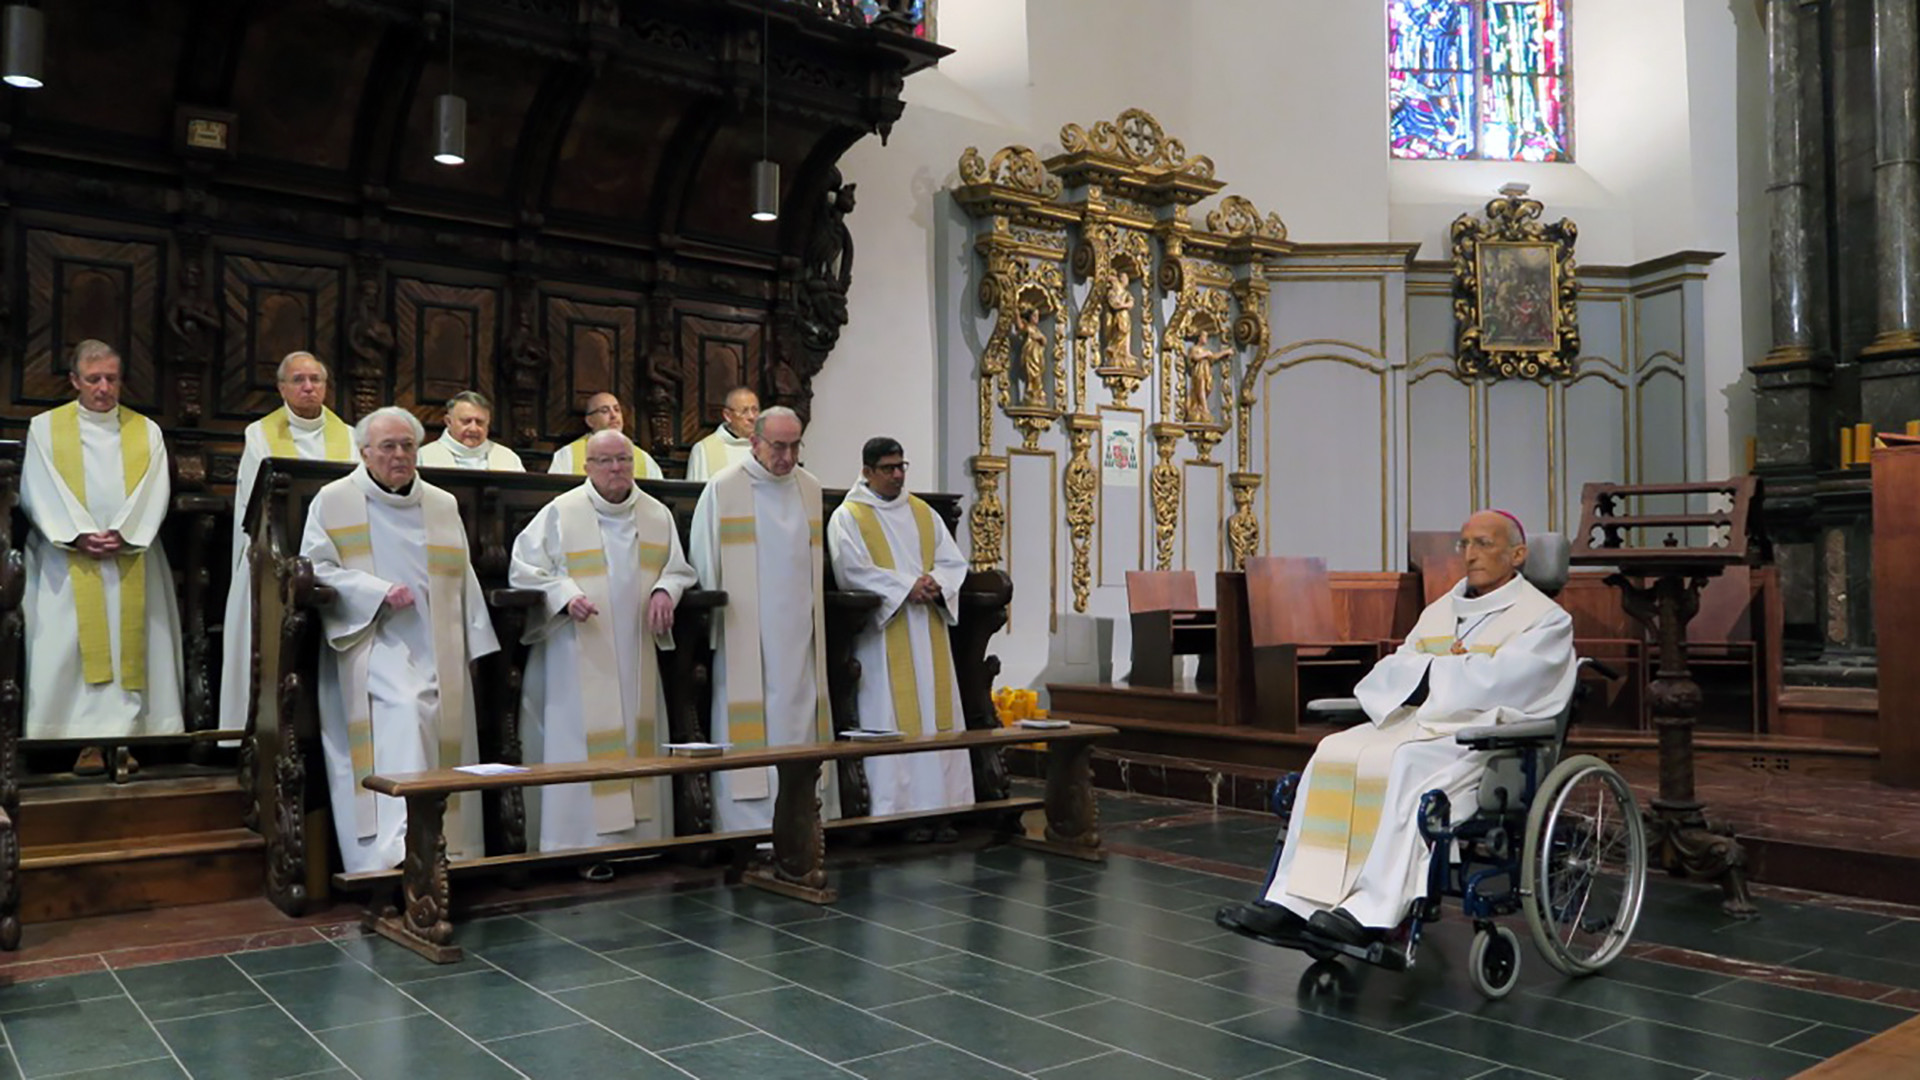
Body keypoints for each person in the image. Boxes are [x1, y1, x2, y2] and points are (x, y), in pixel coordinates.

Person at [1216, 510, 1577, 947]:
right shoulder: (1443, 609)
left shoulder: (1544, 619)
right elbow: (1400, 663)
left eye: (1484, 543)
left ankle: (1371, 909)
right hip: (1418, 722)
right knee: (1334, 751)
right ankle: (1295, 901)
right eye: (1464, 544)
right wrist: (1440, 672)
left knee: (1402, 763)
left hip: (1480, 740)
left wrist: (1435, 674)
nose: (1471, 554)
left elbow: (1509, 682)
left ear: (1518, 554)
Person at [302, 406, 499, 873]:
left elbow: (463, 576)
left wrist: (475, 642)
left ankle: (453, 846)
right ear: (365, 452)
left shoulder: (441, 503)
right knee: (409, 707)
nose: (399, 456)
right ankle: (397, 847)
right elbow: (315, 570)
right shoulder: (334, 501)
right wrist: (376, 592)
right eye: (387, 447)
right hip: (373, 643)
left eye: (407, 446)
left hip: (440, 646)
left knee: (445, 712)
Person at [510, 430, 696, 871]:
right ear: (587, 467)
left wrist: (666, 591)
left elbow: (678, 568)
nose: (616, 469)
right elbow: (524, 568)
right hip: (577, 653)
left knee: (635, 734)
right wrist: (565, 594)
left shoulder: (655, 513)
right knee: (579, 744)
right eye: (605, 461)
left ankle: (639, 843)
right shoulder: (561, 511)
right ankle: (577, 846)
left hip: (635, 652)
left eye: (623, 460)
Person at [20, 340, 185, 774]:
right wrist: (75, 533)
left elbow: (155, 486)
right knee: (70, 650)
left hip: (131, 556)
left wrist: (127, 533)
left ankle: (126, 740)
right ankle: (82, 742)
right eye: (94, 379)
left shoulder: (146, 431)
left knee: (130, 647)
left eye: (112, 378)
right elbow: (39, 486)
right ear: (75, 380)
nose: (104, 388)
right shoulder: (44, 428)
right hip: (67, 560)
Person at [689, 405, 834, 832]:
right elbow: (705, 559)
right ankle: (748, 825)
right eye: (778, 446)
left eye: (794, 446)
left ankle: (802, 818)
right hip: (744, 631)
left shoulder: (810, 488)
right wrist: (718, 629)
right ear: (754, 442)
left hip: (800, 634)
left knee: (798, 717)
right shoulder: (724, 487)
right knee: (750, 721)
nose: (787, 456)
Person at [827, 437, 973, 837]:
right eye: (888, 468)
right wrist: (907, 585)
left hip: (928, 627)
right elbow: (851, 570)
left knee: (935, 716)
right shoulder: (849, 516)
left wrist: (937, 583)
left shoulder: (923, 513)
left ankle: (943, 808)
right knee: (893, 718)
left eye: (901, 467)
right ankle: (897, 813)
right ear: (867, 472)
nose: (897, 475)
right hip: (884, 636)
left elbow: (952, 562)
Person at [217, 352, 357, 739]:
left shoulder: (348, 436)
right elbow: (253, 506)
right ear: (281, 388)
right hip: (276, 557)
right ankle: (261, 732)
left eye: (316, 379)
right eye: (299, 380)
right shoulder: (259, 434)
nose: (309, 387)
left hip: (331, 558)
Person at [548, 393, 663, 479]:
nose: (613, 415)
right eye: (604, 411)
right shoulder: (568, 455)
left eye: (617, 410)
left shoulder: (644, 459)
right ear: (590, 421)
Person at [418, 391, 525, 471]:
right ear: (449, 422)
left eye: (480, 422)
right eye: (466, 421)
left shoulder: (508, 458)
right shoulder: (423, 457)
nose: (473, 428)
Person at [685, 386, 759, 481]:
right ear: (727, 416)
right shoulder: (704, 450)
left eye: (755, 410)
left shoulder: (769, 447)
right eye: (744, 411)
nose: (752, 417)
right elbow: (697, 493)